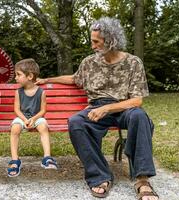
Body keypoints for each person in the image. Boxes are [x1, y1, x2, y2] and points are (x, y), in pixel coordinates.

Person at [36, 17, 159, 200]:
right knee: (76, 122)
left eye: (96, 41)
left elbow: (137, 101)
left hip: (125, 108)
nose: (92, 46)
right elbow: (74, 78)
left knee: (140, 117)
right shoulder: (89, 62)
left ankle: (142, 179)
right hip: (97, 108)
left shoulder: (133, 63)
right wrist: (48, 80)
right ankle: (100, 176)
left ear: (110, 40)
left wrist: (108, 108)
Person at [7, 58, 58, 177]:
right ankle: (15, 160)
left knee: (43, 126)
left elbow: (43, 110)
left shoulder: (41, 92)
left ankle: (47, 157)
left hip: (36, 117)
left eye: (18, 75)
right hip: (22, 117)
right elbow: (17, 110)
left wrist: (34, 119)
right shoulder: (18, 92)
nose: (15, 78)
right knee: (15, 128)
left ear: (29, 76)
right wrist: (24, 120)